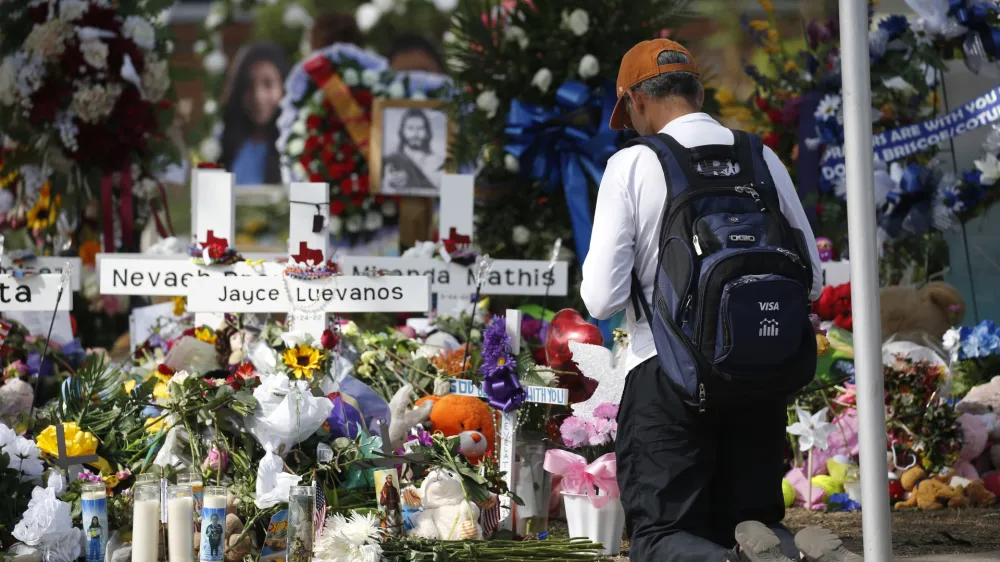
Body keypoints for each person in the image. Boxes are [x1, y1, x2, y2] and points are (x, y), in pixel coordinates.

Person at [580, 39, 861, 562]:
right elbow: (813, 278)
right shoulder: (761, 156)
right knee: (752, 522)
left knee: (661, 537)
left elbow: (601, 298)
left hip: (666, 375)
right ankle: (806, 553)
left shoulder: (634, 163)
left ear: (636, 100)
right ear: (698, 91)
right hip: (760, 376)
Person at [219, 42, 290, 185]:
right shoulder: (221, 144)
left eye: (268, 84)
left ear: (284, 87)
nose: (258, 96)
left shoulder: (295, 148)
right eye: (249, 86)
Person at [382, 108, 444, 193]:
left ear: (427, 132)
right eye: (410, 128)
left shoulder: (439, 162)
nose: (415, 133)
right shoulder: (391, 160)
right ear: (402, 131)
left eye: (420, 128)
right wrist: (388, 182)